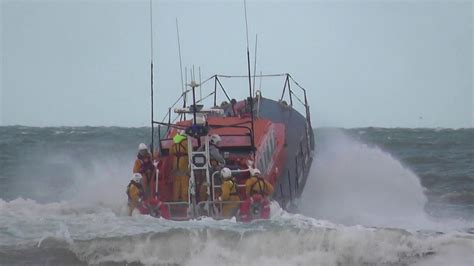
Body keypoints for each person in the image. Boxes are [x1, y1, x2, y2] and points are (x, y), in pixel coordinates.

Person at [170, 131, 189, 201]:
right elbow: (190, 153)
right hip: (184, 166)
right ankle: (185, 201)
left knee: (176, 186)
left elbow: (170, 153)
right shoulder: (186, 143)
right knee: (185, 186)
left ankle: (176, 200)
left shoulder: (174, 143)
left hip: (176, 166)